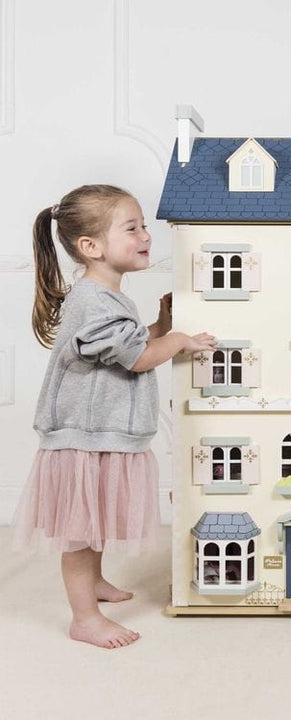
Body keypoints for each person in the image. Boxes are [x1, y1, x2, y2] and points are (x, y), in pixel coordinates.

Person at [12, 185, 216, 649]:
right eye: (132, 228)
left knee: (95, 518)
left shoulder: (105, 298)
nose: (146, 235)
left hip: (100, 434)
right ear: (91, 246)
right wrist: (177, 340)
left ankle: (95, 583)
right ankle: (84, 618)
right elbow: (137, 358)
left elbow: (125, 344)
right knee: (80, 534)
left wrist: (160, 325)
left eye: (144, 226)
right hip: (84, 438)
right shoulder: (93, 300)